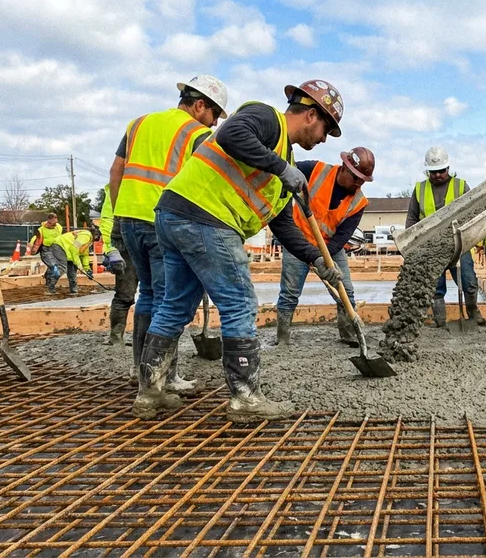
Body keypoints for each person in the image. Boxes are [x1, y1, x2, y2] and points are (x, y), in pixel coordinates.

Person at [136, 79, 346, 423]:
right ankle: (245, 398)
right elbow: (232, 135)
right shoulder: (267, 119)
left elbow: (284, 227)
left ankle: (151, 392)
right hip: (206, 217)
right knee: (240, 304)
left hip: (175, 214)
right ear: (310, 115)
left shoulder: (282, 166)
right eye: (326, 129)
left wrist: (316, 260)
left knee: (175, 304)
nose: (324, 139)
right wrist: (281, 168)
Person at [108, 75, 227, 390]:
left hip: (130, 217)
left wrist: (120, 216)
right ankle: (163, 377)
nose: (215, 123)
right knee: (168, 301)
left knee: (146, 294)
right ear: (199, 105)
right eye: (215, 114)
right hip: (164, 222)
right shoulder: (196, 133)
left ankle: (141, 369)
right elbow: (206, 183)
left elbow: (115, 171)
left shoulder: (138, 124)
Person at [273, 147, 373, 347]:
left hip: (330, 247)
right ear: (344, 167)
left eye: (362, 180)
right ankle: (282, 339)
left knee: (346, 290)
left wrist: (322, 260)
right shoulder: (315, 170)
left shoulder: (359, 202)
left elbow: (341, 238)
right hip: (298, 242)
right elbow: (285, 173)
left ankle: (349, 335)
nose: (358, 184)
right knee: (289, 293)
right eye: (355, 178)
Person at [405, 145, 485, 329]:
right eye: (433, 172)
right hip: (432, 246)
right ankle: (440, 320)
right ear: (428, 171)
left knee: (468, 281)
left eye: (441, 171)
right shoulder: (419, 189)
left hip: (459, 244)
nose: (437, 175)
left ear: (448, 168)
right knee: (435, 285)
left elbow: (474, 212)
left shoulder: (461, 186)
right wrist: (411, 244)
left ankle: (473, 313)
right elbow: (412, 218)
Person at [98, 184, 137, 348]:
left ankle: (146, 339)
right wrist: (112, 249)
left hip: (153, 243)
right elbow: (108, 220)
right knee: (125, 294)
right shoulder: (117, 186)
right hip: (125, 245)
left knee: (156, 295)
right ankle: (116, 337)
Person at [49, 227, 101, 293]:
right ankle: (50, 286)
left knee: (73, 270)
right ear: (95, 236)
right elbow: (74, 248)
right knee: (62, 267)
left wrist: (87, 270)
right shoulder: (86, 235)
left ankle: (74, 289)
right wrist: (80, 266)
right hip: (60, 246)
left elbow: (84, 255)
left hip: (68, 251)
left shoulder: (88, 241)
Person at [29, 213, 62, 290]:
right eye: (51, 223)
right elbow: (37, 240)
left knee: (55, 266)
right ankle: (50, 286)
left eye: (55, 223)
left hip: (55, 248)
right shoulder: (41, 230)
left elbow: (61, 238)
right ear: (48, 221)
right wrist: (33, 248)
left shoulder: (58, 227)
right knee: (53, 267)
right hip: (45, 250)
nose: (53, 225)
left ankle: (48, 280)